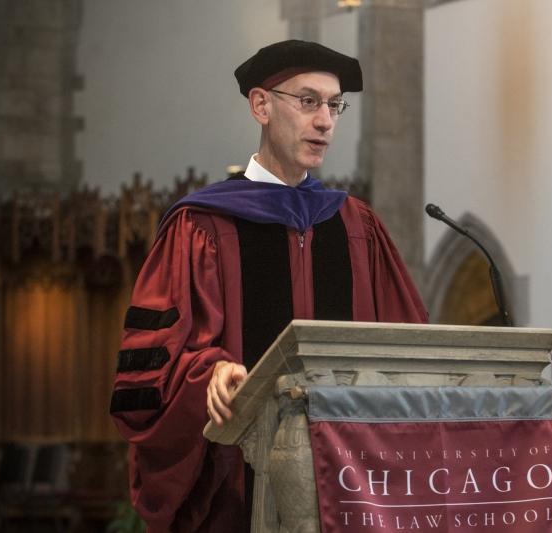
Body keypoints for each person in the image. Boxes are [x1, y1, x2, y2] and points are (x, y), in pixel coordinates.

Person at [109, 39, 428, 533]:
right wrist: (207, 372)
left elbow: (408, 345)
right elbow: (155, 358)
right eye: (308, 101)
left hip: (350, 478)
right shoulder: (200, 225)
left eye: (334, 105)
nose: (325, 120)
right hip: (237, 483)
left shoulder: (356, 226)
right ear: (261, 105)